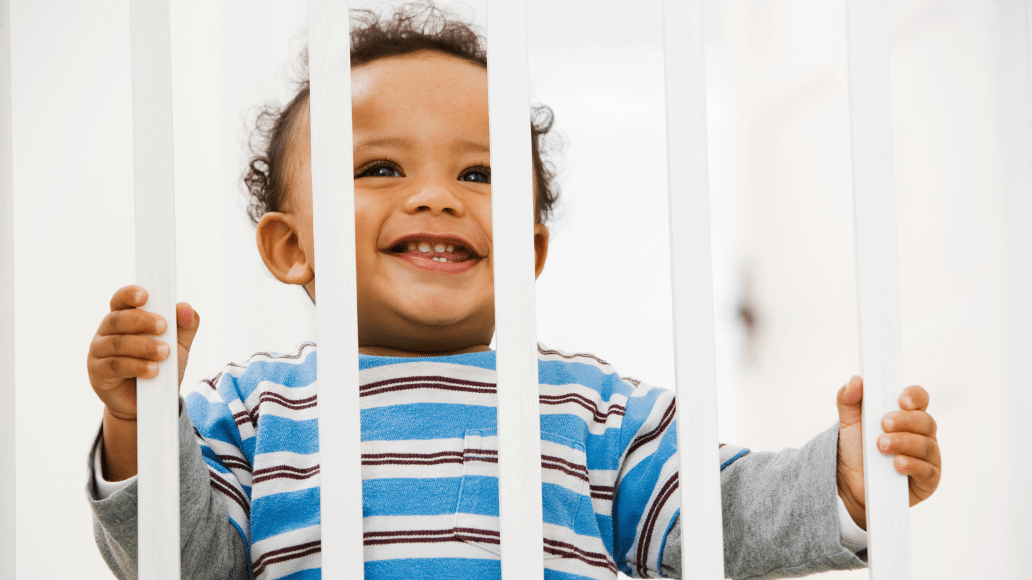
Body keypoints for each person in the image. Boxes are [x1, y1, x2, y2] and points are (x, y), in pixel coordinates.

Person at [85, 4, 942, 579]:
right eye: (380, 167)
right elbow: (181, 562)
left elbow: (715, 516)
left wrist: (841, 480)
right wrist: (137, 424)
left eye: (480, 171)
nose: (437, 196)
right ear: (291, 246)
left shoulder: (593, 413)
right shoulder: (250, 411)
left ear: (529, 250)